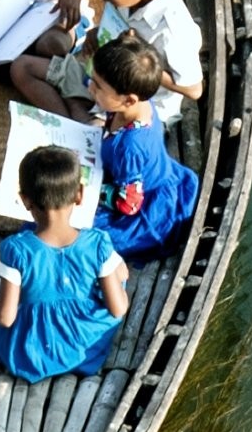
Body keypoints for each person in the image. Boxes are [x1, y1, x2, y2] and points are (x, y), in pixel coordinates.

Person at [0, 142, 132, 383]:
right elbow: (118, 309)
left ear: (25, 200)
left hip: (31, 353)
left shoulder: (17, 249)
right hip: (84, 347)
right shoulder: (97, 243)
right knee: (118, 273)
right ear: (79, 194)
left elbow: (4, 317)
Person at [60, 0, 200, 120]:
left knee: (93, 132)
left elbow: (194, 90)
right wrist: (97, 32)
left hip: (135, 105)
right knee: (23, 69)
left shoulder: (172, 29)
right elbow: (114, 16)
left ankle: (80, 114)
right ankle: (78, 112)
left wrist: (139, 58)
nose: (105, 1)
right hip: (102, 75)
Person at [81, 33, 197, 262]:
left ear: (129, 100)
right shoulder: (139, 104)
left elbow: (129, 203)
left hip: (145, 209)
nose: (90, 88)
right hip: (138, 176)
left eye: (99, 87)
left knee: (71, 234)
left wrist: (89, 191)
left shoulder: (130, 145)